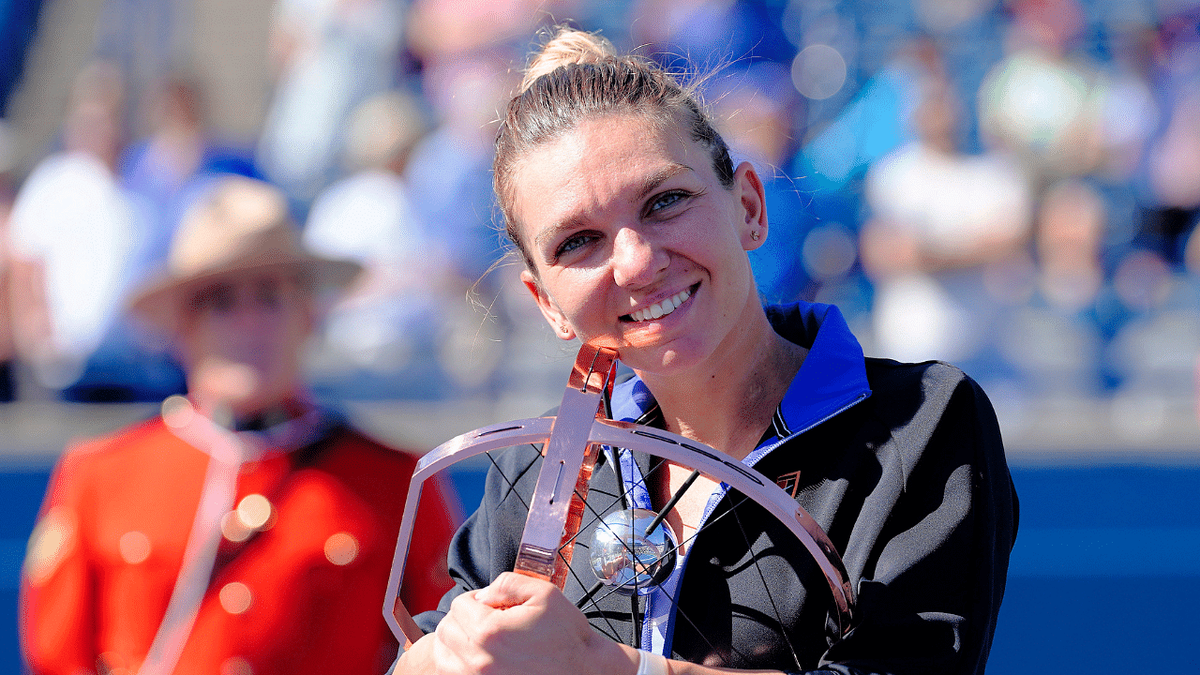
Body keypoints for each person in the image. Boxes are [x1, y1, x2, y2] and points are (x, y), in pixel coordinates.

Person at [391, 27, 1018, 675]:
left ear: (748, 205)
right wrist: (445, 653)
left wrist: (609, 666)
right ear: (545, 301)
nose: (635, 263)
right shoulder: (539, 467)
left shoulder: (919, 422)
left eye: (665, 202)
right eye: (578, 242)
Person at [19, 176, 458, 675]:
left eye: (270, 297)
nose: (250, 324)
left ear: (307, 315)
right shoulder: (101, 475)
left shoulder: (397, 482)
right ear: (182, 327)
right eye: (221, 302)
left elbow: (440, 652)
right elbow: (58, 658)